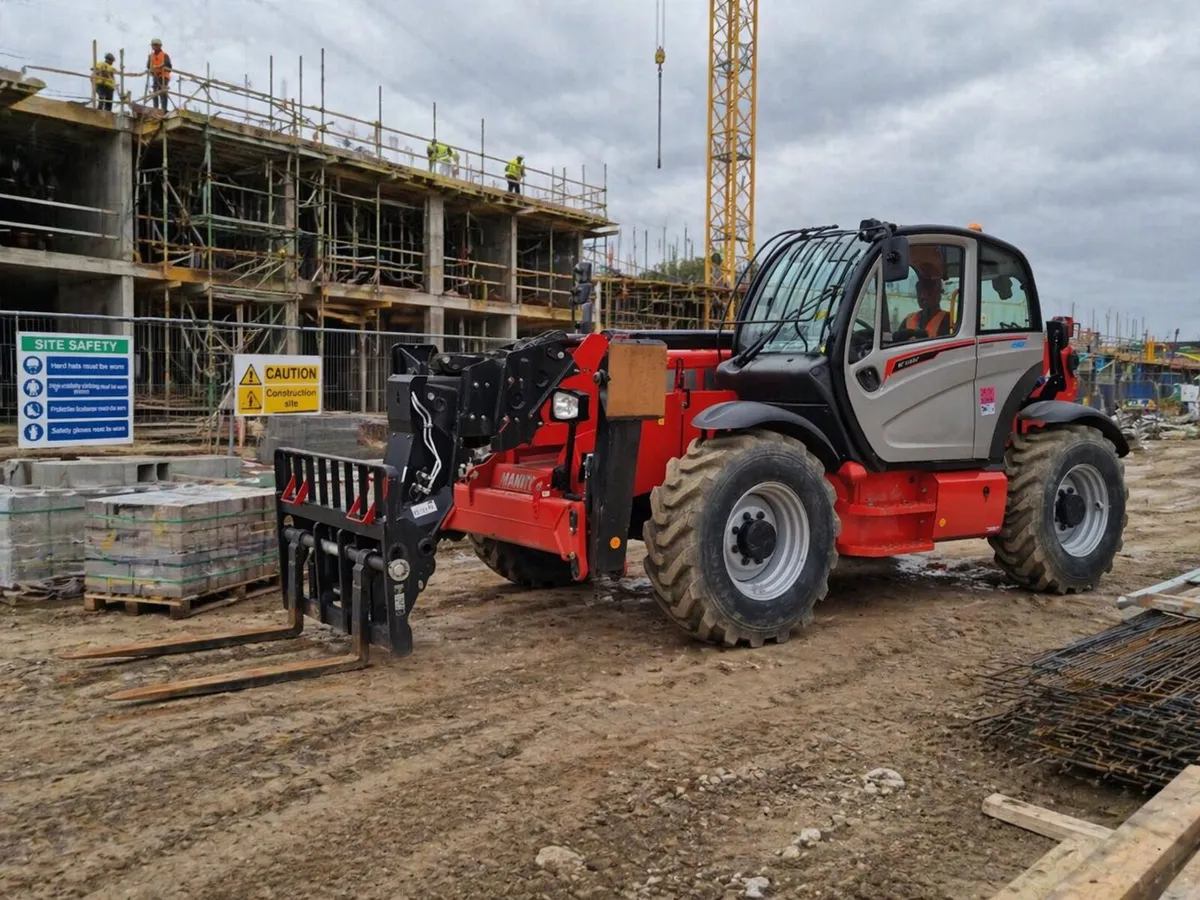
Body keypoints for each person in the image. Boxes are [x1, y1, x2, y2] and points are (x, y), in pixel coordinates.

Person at [902, 272, 951, 338]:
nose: (922, 296)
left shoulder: (948, 321)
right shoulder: (908, 319)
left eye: (928, 291)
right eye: (919, 290)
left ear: (940, 293)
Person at [147, 39, 172, 111]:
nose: (154, 47)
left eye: (156, 45)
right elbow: (148, 66)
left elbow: (168, 65)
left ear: (160, 46)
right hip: (155, 76)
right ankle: (156, 108)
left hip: (164, 76)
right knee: (155, 91)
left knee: (162, 91)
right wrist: (151, 68)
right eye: (153, 45)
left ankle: (164, 109)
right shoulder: (150, 56)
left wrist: (159, 66)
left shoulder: (164, 55)